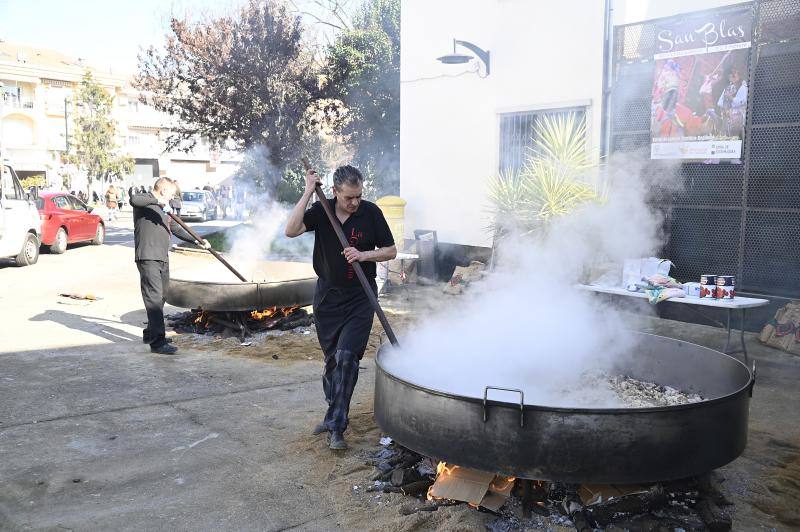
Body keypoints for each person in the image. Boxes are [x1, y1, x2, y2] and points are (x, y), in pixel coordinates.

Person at [284, 165, 397, 450]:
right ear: (334, 192)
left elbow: (391, 250)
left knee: (347, 358)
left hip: (361, 297)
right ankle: (334, 410)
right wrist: (308, 192)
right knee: (333, 362)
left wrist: (363, 254)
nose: (355, 202)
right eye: (349, 197)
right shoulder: (322, 210)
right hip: (327, 299)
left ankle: (336, 425)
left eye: (359, 196)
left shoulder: (370, 213)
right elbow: (291, 230)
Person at [131, 178, 211, 354]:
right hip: (148, 256)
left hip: (162, 257)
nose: (173, 198)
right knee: (153, 298)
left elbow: (178, 229)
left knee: (162, 295)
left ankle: (151, 333)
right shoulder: (145, 201)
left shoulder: (165, 209)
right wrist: (157, 201)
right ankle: (158, 343)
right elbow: (134, 200)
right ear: (163, 190)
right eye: (172, 194)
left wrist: (198, 240)